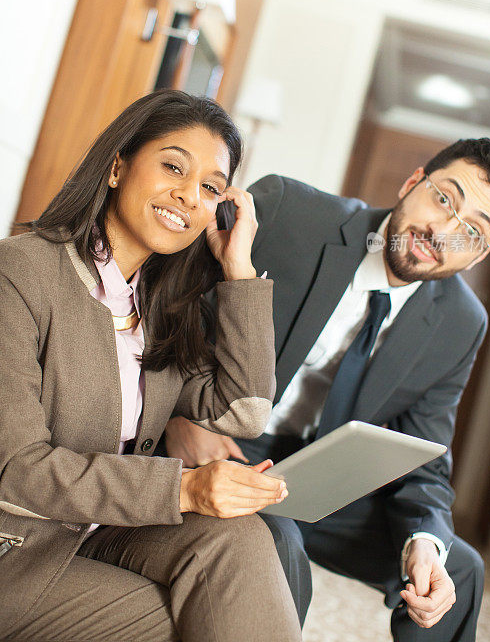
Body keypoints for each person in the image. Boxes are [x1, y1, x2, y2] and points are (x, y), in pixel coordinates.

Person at [166, 137, 490, 642]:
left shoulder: (462, 323)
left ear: (480, 256)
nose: (442, 231)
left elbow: (427, 461)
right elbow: (169, 309)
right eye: (444, 198)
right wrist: (179, 420)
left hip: (321, 478)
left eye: (471, 231)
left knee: (457, 568)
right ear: (412, 182)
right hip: (224, 443)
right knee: (278, 541)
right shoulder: (291, 214)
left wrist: (424, 543)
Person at [0, 89, 302, 642]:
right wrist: (184, 489)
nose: (188, 196)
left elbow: (245, 413)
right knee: (185, 620)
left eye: (210, 188)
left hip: (98, 530)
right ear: (117, 166)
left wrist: (239, 268)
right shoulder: (20, 274)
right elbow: (16, 470)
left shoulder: (158, 310)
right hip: (16, 551)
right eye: (173, 167)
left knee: (241, 540)